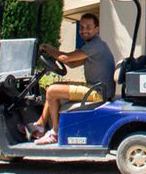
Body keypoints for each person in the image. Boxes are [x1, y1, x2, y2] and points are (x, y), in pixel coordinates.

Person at [27, 13, 116, 144]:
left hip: (97, 92)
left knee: (52, 91)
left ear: (97, 29)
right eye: (82, 27)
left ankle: (55, 132)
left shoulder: (95, 46)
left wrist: (49, 49)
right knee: (54, 86)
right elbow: (72, 63)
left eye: (88, 27)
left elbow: (66, 58)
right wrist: (55, 56)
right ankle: (40, 125)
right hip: (96, 88)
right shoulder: (94, 45)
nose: (84, 30)